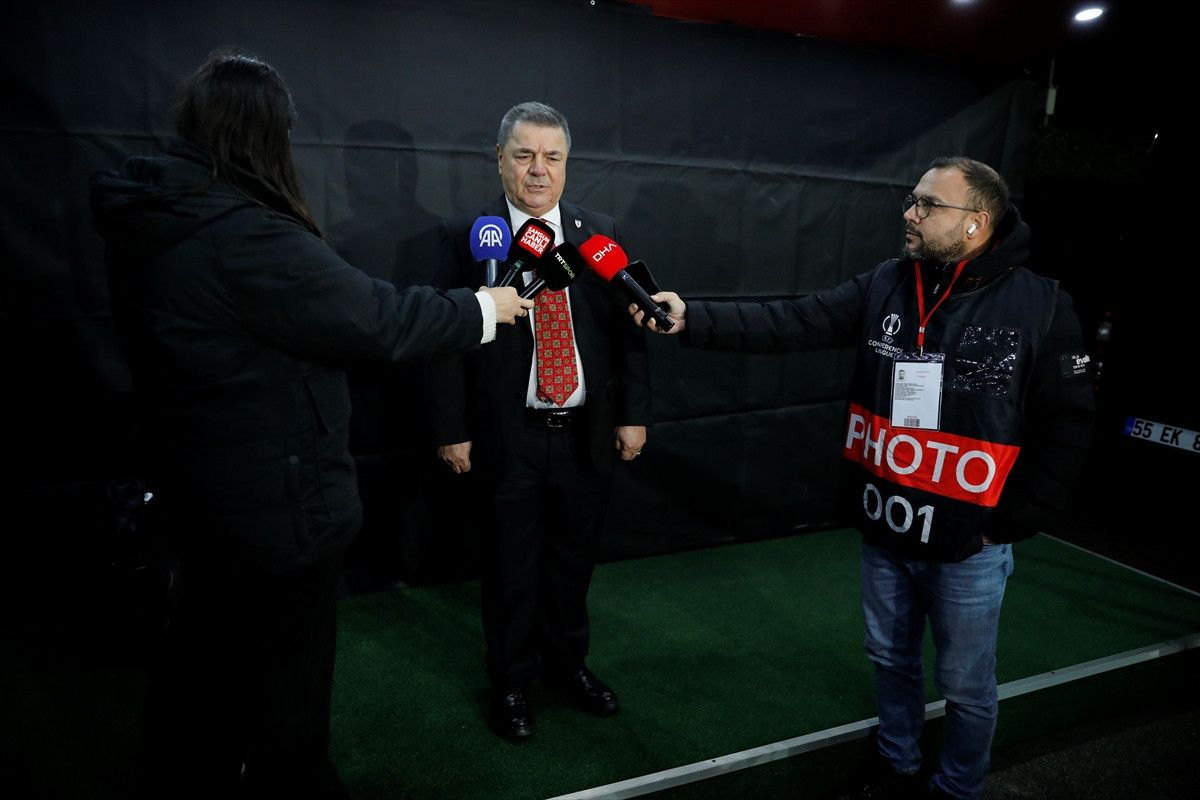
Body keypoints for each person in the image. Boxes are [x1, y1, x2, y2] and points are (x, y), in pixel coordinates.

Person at [89, 49, 531, 799]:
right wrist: (482, 308)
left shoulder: (159, 217)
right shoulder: (242, 234)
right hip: (272, 512)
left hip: (206, 497)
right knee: (277, 705)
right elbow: (377, 319)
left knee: (199, 678)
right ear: (264, 134)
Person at [631, 157, 1095, 799]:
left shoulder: (1040, 304)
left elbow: (1068, 427)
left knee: (965, 687)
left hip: (968, 546)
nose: (910, 213)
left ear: (975, 222)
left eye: (928, 205)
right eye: (912, 199)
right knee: (890, 659)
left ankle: (958, 789)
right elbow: (795, 321)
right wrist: (693, 318)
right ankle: (896, 761)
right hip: (886, 525)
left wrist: (1009, 524)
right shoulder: (887, 281)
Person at [426, 101, 651, 740]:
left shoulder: (598, 233)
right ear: (499, 158)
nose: (538, 170)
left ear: (567, 163)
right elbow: (442, 342)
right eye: (524, 155)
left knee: (572, 563)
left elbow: (628, 331)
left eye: (552, 157)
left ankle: (568, 667)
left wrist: (633, 414)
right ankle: (511, 682)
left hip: (584, 433)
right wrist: (450, 428)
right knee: (509, 569)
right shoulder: (468, 236)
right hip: (508, 436)